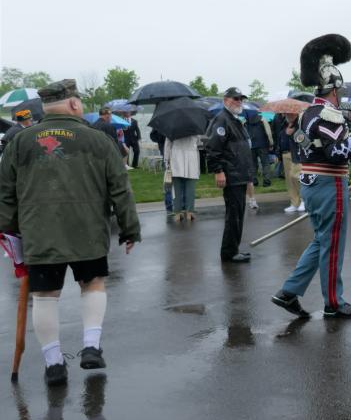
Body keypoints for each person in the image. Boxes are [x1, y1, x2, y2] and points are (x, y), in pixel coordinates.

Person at [0, 79, 140, 386]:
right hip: (87, 230)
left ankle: (53, 365)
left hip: (39, 232)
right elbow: (121, 189)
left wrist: (9, 232)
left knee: (45, 296)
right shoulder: (98, 140)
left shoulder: (19, 142)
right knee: (92, 284)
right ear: (75, 104)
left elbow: (6, 193)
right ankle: (91, 346)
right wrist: (129, 229)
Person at [271, 34, 351, 320]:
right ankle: (334, 303)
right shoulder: (327, 113)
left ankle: (288, 292)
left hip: (313, 183)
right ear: (334, 87)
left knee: (322, 241)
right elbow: (337, 153)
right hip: (328, 184)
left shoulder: (309, 112)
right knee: (333, 244)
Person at [205, 87, 256, 263]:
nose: (239, 101)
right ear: (226, 100)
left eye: (241, 99)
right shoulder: (221, 120)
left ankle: (233, 248)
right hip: (231, 174)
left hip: (239, 173)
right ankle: (229, 252)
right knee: (233, 215)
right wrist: (218, 171)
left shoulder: (234, 119)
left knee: (238, 214)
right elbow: (212, 148)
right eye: (235, 99)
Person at [164, 133, 202, 223]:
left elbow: (167, 146)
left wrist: (166, 161)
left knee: (176, 188)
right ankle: (189, 211)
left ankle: (177, 212)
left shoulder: (172, 128)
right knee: (190, 187)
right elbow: (199, 143)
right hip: (191, 157)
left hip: (176, 157)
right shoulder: (194, 129)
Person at [276, 112, 305, 213]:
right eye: (287, 114)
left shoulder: (300, 124)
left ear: (296, 114)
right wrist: (278, 154)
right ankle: (294, 203)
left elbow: (303, 141)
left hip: (296, 155)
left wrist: (292, 134)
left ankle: (303, 200)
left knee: (296, 177)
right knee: (289, 180)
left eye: (292, 114)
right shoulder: (284, 124)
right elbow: (280, 138)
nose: (289, 116)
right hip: (285, 154)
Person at [247, 111, 273, 188]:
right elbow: (268, 133)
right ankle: (266, 181)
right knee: (265, 164)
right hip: (263, 144)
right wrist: (271, 142)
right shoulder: (263, 119)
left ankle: (254, 181)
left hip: (251, 146)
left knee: (253, 164)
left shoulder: (245, 121)